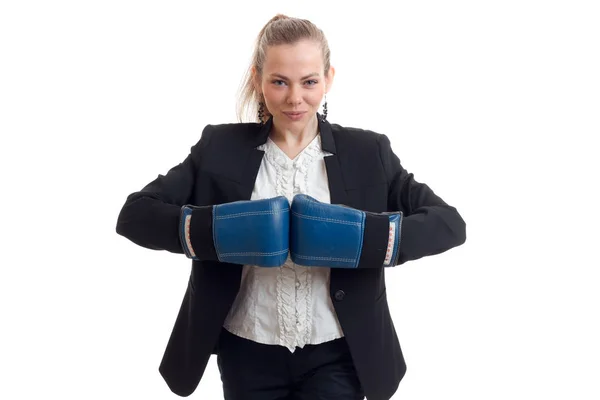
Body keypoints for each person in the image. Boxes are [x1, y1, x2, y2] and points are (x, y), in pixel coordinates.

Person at [116, 13, 466, 400]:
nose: (295, 98)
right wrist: (219, 231)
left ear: (329, 78)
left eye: (309, 82)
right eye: (279, 82)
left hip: (337, 353)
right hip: (247, 349)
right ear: (258, 79)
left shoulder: (369, 153)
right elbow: (135, 214)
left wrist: (361, 239)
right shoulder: (218, 148)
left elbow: (449, 224)